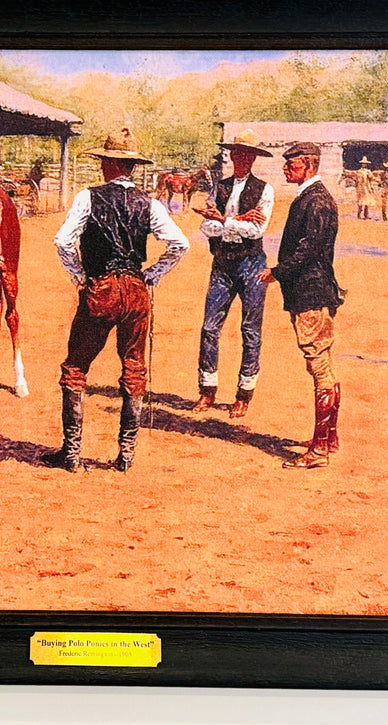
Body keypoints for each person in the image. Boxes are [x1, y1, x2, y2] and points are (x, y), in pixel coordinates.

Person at [43, 127, 189, 472]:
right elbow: (180, 244)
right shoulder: (149, 203)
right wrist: (151, 275)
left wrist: (80, 276)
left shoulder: (87, 198)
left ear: (107, 164)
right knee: (134, 368)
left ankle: (72, 453)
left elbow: (63, 241)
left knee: (76, 367)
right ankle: (126, 456)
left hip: (102, 289)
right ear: (132, 168)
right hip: (136, 290)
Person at [259, 142, 344, 469]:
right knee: (323, 365)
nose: (285, 169)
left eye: (291, 165)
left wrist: (276, 272)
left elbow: (307, 251)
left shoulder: (317, 201)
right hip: (311, 291)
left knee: (319, 367)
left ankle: (320, 450)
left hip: (312, 293)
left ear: (308, 166)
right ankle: (329, 438)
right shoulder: (311, 198)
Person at [190, 129, 275, 418]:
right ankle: (207, 390)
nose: (241, 158)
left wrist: (224, 219)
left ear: (253, 158)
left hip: (251, 264)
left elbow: (257, 230)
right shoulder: (221, 187)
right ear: (232, 155)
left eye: (247, 154)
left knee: (250, 330)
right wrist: (236, 219)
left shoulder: (265, 189)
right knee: (209, 328)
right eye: (237, 153)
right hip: (222, 263)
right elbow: (206, 228)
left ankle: (244, 394)